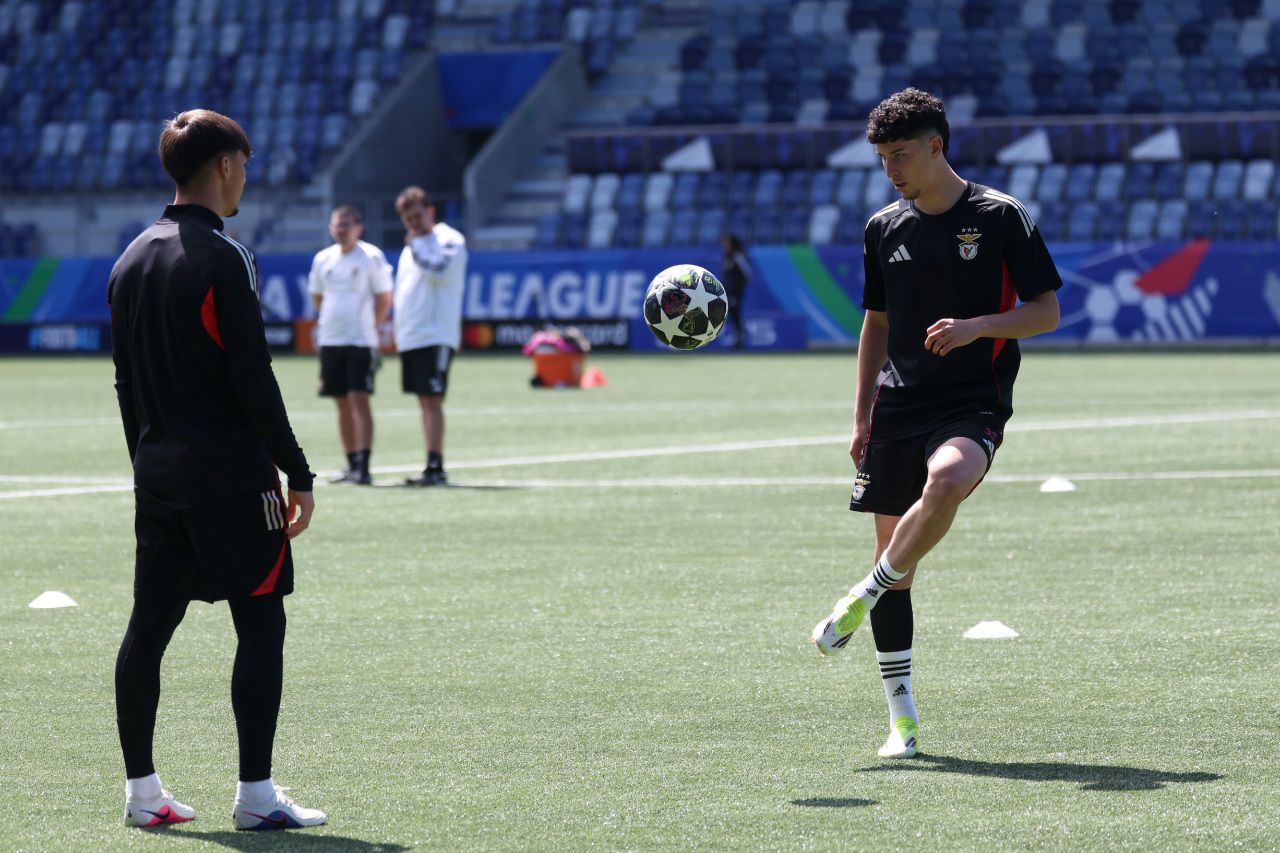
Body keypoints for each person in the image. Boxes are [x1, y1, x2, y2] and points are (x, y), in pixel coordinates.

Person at [809, 88, 1062, 760]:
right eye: (882, 157)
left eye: (900, 154)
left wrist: (981, 326)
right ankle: (903, 721)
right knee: (902, 559)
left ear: (936, 146)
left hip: (974, 397)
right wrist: (861, 413)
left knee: (948, 477)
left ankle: (863, 593)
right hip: (899, 404)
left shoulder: (1001, 216)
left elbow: (1046, 311)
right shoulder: (883, 227)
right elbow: (877, 323)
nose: (891, 168)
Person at [108, 109, 326, 831]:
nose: (246, 178)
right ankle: (257, 795)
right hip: (232, 476)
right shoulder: (224, 255)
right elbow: (252, 378)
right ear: (226, 164)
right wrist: (298, 471)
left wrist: (144, 461)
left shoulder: (129, 257)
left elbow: (125, 385)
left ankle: (144, 794)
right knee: (261, 624)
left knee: (147, 628)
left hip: (159, 472)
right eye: (246, 163)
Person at [308, 204, 393, 485]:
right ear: (330, 228)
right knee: (341, 402)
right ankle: (351, 462)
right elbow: (317, 296)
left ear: (359, 227)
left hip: (360, 340)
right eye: (337, 225)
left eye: (347, 224)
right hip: (331, 340)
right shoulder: (323, 259)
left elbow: (384, 297)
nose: (342, 230)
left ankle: (364, 466)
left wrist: (372, 327)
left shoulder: (370, 256)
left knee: (360, 399)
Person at [392, 185, 468, 486]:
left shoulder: (448, 239)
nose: (414, 223)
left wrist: (416, 244)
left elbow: (439, 269)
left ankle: (436, 465)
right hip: (412, 335)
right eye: (408, 219)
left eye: (418, 216)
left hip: (436, 333)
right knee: (424, 400)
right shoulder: (412, 247)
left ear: (431, 212)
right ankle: (430, 463)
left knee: (433, 399)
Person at [719, 233, 751, 349]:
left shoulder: (737, 255)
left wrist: (737, 288)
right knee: (726, 313)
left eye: (726, 242)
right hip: (726, 291)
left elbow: (747, 273)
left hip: (735, 292)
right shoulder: (726, 256)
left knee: (735, 313)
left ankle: (739, 339)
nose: (724, 245)